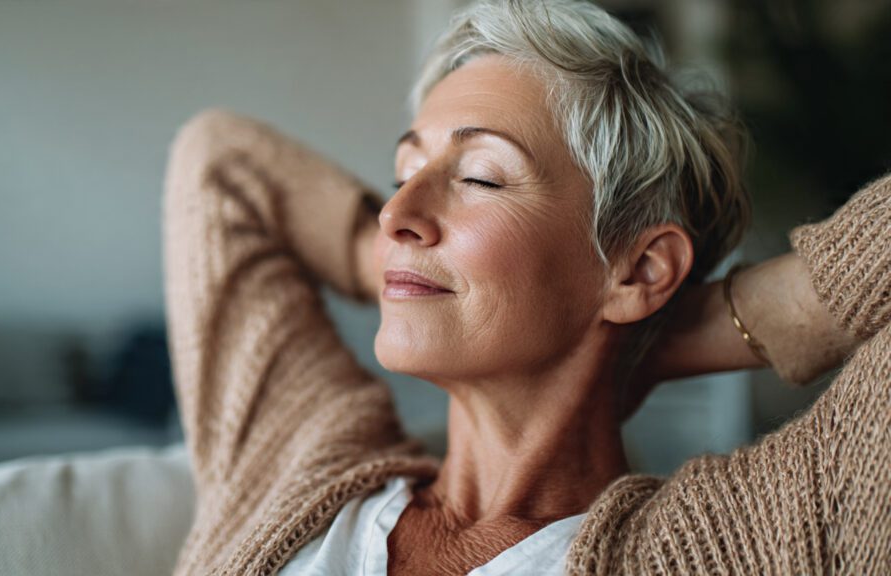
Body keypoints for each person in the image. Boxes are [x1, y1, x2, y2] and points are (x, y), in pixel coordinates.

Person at [161, 0, 890, 574]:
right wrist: (666, 333)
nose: (395, 213)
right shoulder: (299, 464)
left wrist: (765, 315)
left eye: (480, 177)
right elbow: (220, 162)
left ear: (640, 269)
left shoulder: (750, 539)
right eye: (403, 173)